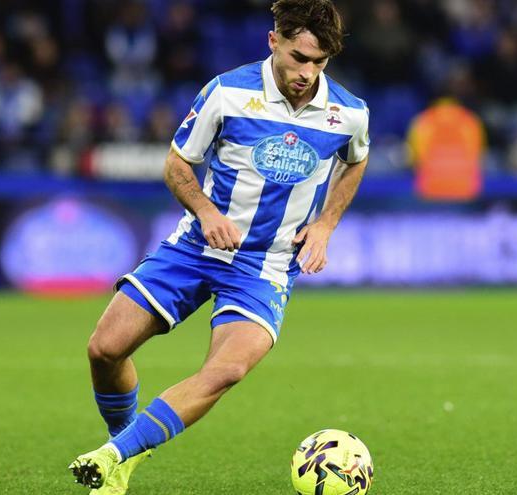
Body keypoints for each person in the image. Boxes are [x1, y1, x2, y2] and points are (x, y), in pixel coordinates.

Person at [68, 0, 370, 492]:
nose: (307, 73)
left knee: (226, 370)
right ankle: (121, 449)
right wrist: (207, 213)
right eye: (299, 57)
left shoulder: (348, 113)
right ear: (274, 42)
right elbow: (177, 164)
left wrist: (326, 225)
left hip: (265, 266)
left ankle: (112, 458)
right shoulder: (227, 93)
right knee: (105, 349)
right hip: (195, 248)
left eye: (319, 63)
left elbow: (356, 160)